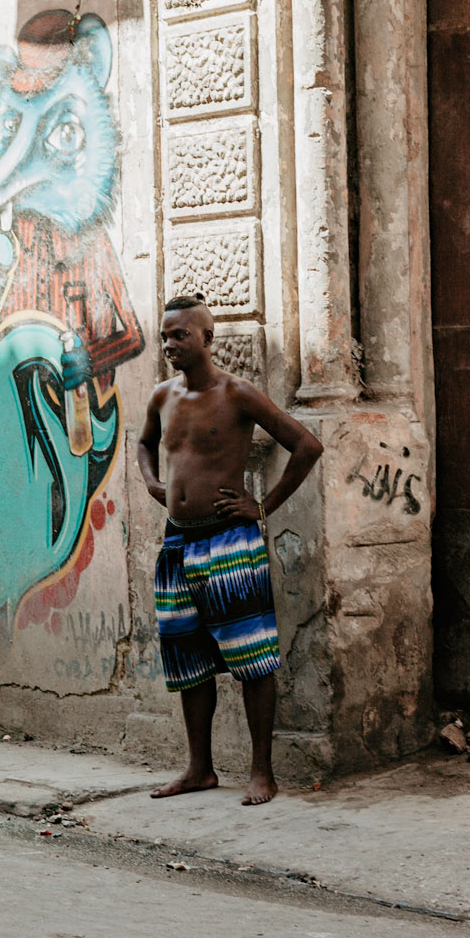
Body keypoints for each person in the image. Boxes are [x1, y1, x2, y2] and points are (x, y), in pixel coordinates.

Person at [136, 296, 323, 805]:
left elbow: (307, 445)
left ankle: (262, 772)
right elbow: (144, 444)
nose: (171, 344)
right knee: (187, 656)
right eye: (166, 335)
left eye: (182, 335)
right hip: (177, 543)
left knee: (253, 658)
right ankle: (200, 769)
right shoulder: (161, 396)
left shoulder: (238, 394)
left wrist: (262, 507)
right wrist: (153, 482)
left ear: (207, 339)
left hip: (229, 544)